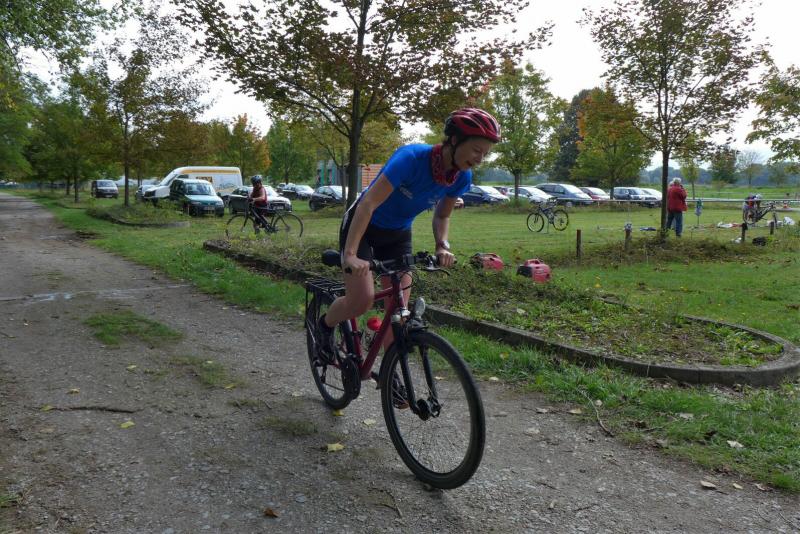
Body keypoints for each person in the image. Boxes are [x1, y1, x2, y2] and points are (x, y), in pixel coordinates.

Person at [317, 108, 501, 358]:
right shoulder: (411, 158)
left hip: (398, 234)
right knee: (361, 301)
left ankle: (392, 377)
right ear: (455, 140)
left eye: (485, 154)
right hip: (363, 227)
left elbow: (442, 215)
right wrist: (350, 255)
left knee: (399, 312)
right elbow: (368, 204)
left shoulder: (461, 177)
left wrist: (442, 245)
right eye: (477, 150)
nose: (480, 159)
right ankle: (325, 326)